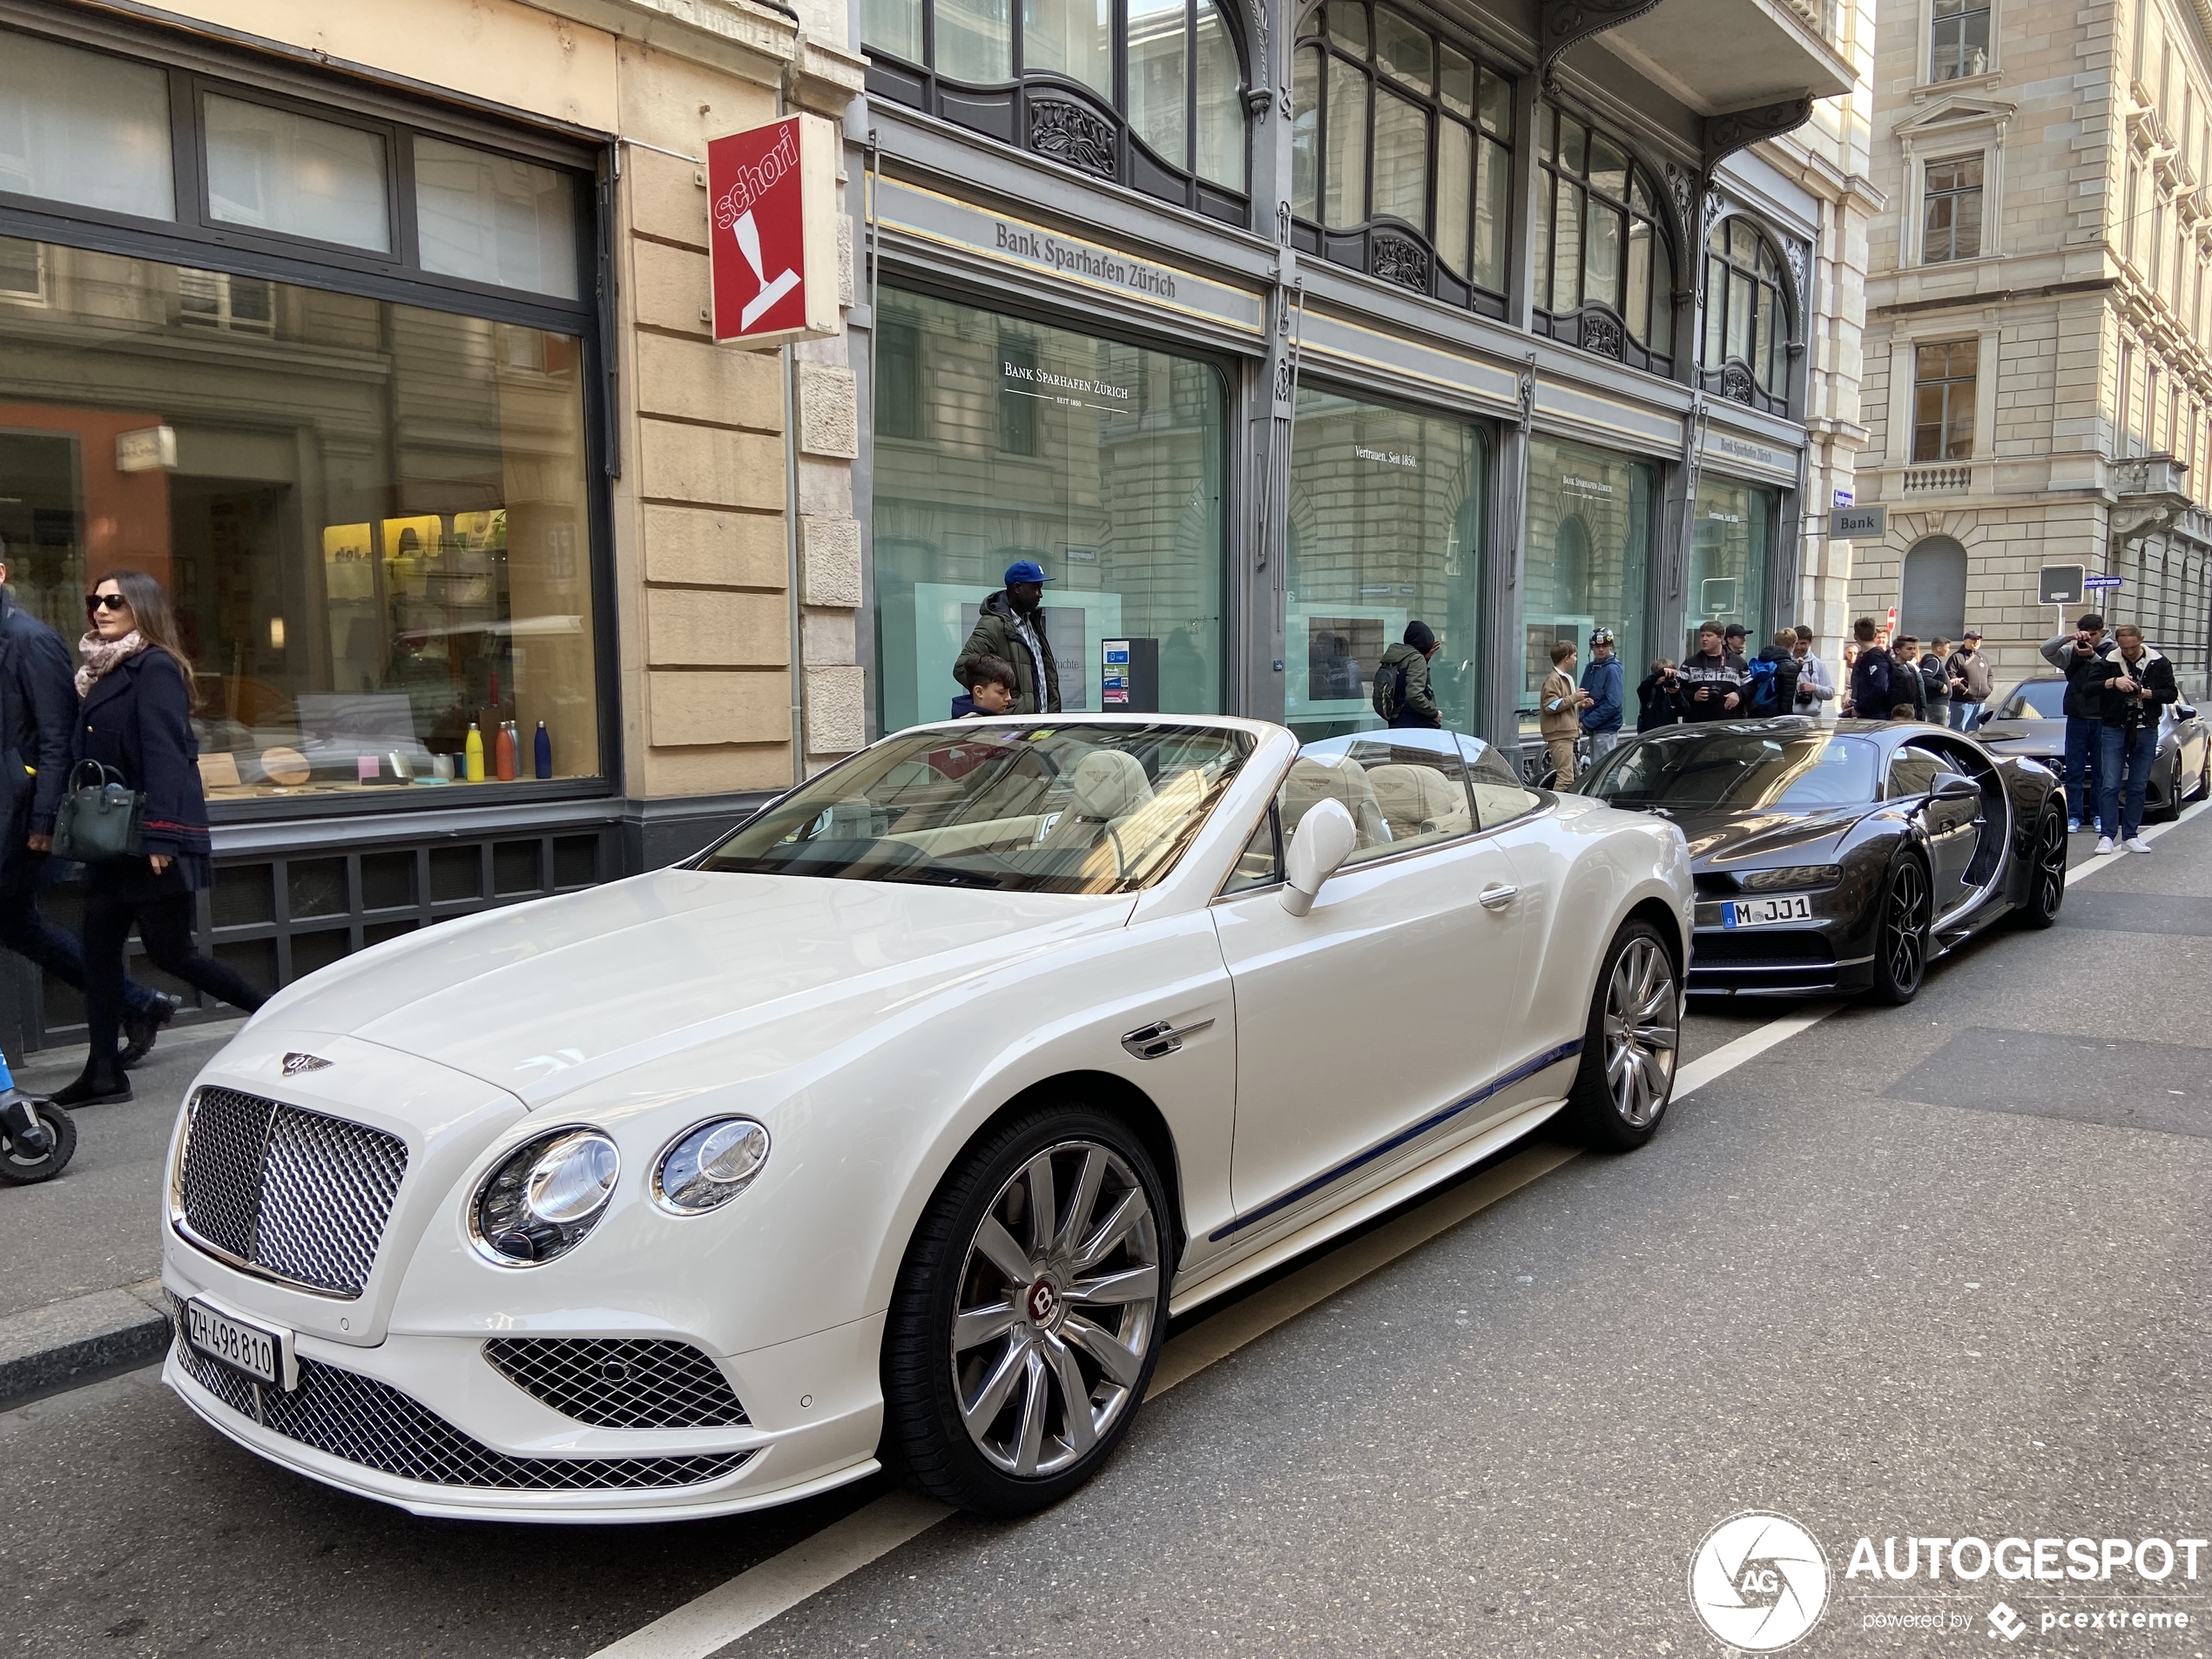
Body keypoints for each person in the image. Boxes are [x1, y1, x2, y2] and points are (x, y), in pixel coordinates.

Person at [55, 572, 268, 1106]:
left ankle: (278, 1016)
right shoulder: (101, 670)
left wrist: (162, 838)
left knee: (173, 953)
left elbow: (167, 756)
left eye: (114, 602)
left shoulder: (154, 668)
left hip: (149, 837)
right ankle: (103, 1070)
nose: (100, 610)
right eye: (95, 601)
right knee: (98, 952)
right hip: (110, 840)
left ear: (141, 609)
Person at [0, 540, 175, 1067]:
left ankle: (141, 1005)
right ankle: (139, 1004)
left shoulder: (30, 641)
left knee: (21, 925)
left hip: (18, 815)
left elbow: (58, 738)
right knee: (17, 927)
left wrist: (42, 821)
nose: (102, 610)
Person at [2090, 623, 2175, 854]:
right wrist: (2113, 682)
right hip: (2114, 727)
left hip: (2146, 727)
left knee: (2138, 785)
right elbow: (2088, 687)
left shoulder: (2159, 662)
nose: (2128, 651)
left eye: (2132, 647)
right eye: (2123, 647)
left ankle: (2131, 835)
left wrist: (2147, 693)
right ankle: (2107, 836)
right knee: (2109, 783)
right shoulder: (2108, 661)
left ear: (2141, 640)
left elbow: (2171, 693)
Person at [954, 559, 1060, 716]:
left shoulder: (1032, 621)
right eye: (1035, 589)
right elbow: (962, 668)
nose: (1040, 595)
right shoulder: (993, 625)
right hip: (1014, 727)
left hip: (1041, 725)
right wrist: (1004, 696)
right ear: (1017, 587)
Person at [2043, 612, 2114, 833]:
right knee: (2074, 770)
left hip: (2103, 718)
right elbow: (2046, 650)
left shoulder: (2112, 651)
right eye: (2086, 634)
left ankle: (2098, 814)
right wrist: (2068, 638)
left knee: (2101, 772)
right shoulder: (2072, 651)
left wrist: (2092, 655)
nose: (2088, 639)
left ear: (2102, 632)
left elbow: (2110, 671)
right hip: (2077, 717)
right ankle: (2074, 815)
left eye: (2093, 635)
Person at [1374, 621, 1443, 729]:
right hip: (1417, 724)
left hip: (1397, 721)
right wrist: (1434, 713)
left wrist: (1424, 660)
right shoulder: (1416, 659)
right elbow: (1414, 695)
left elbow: (1401, 685)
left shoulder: (1397, 657)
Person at [1678, 623, 1747, 720]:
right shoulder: (1690, 663)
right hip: (1697, 724)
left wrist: (1738, 694)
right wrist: (1693, 695)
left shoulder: (1738, 662)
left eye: (1709, 636)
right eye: (1702, 636)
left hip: (1729, 723)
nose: (1704, 639)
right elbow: (1676, 690)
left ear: (1720, 638)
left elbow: (1751, 686)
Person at [1539, 640, 1582, 785]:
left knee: (1573, 778)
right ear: (1566, 658)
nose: (1576, 659)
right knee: (1565, 779)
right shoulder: (1553, 679)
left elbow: (1562, 705)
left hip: (1566, 734)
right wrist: (1573, 698)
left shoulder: (1565, 678)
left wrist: (1580, 704)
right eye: (1575, 656)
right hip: (1560, 735)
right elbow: (1550, 706)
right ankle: (1560, 807)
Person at [1578, 627, 1625, 761]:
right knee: (1595, 767)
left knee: (1603, 770)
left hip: (1606, 728)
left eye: (1605, 646)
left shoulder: (1612, 669)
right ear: (1591, 648)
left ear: (1610, 646)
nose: (1600, 649)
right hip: (1592, 727)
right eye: (1597, 646)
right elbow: (1583, 695)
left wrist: (1587, 722)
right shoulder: (1591, 667)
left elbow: (1613, 703)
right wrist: (1580, 718)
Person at [1745, 629, 1803, 718]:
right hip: (1773, 714)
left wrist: (1797, 667)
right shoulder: (1789, 667)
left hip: (1754, 710)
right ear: (1793, 645)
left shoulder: (1761, 659)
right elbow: (1786, 701)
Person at [1946, 631, 1993, 732]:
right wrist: (1964, 690)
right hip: (1962, 702)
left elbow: (1990, 674)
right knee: (1958, 730)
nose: (1976, 641)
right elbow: (1950, 676)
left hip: (1980, 703)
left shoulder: (1983, 658)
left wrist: (1988, 689)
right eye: (1973, 639)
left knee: (1974, 731)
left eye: (1978, 639)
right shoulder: (1956, 657)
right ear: (1965, 641)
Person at [1847, 617, 1892, 719]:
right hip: (1872, 713)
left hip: (1876, 715)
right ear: (1875, 635)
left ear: (1855, 636)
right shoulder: (1873, 657)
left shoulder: (1875, 658)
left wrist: (1859, 708)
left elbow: (1879, 688)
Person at [1791, 626, 1837, 719]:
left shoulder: (1818, 664)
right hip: (1789, 718)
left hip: (1813, 719)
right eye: (1796, 643)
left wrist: (1815, 687)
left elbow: (1830, 693)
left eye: (1803, 643)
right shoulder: (1786, 662)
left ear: (1810, 643)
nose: (1798, 647)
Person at [950, 655, 1017, 718]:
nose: (1009, 698)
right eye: (1001, 692)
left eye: (1009, 691)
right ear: (979, 692)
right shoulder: (964, 727)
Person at [1919, 636, 1958, 728]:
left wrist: (1948, 683)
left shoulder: (1936, 662)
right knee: (1937, 728)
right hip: (1936, 703)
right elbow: (1924, 677)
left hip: (1939, 703)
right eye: (1947, 647)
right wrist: (1940, 685)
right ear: (1939, 648)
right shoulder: (1933, 662)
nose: (1949, 650)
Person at [1890, 636, 1929, 721]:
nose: (1913, 652)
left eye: (1914, 649)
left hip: (1913, 714)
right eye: (1909, 649)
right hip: (1899, 717)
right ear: (1897, 650)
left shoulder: (1911, 668)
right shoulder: (1890, 668)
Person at [1636, 659, 1680, 732]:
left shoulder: (1673, 689)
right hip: (1650, 731)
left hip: (1670, 731)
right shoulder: (1650, 689)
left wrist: (1676, 694)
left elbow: (1684, 710)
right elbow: (1642, 688)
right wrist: (1657, 677)